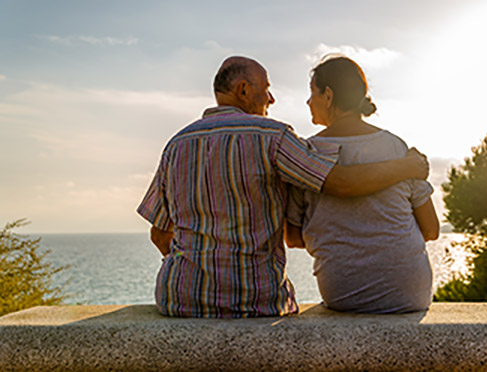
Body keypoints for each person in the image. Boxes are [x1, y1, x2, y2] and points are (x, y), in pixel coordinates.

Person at [137, 56, 430, 318]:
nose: (272, 98)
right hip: (256, 301)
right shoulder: (272, 136)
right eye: (266, 89)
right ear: (243, 90)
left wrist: (197, 271)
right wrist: (408, 167)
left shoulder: (176, 145)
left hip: (181, 299)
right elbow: (339, 182)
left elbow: (160, 233)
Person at [285, 56, 440, 314]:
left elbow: (292, 238)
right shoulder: (396, 147)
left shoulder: (307, 154)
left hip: (345, 296)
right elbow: (432, 229)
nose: (308, 102)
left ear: (328, 95)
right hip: (411, 295)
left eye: (312, 93)